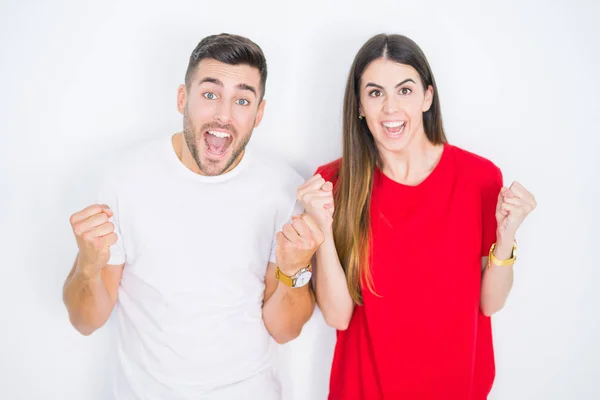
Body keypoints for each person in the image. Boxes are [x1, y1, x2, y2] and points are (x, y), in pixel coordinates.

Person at [62, 33, 319, 400]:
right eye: (210, 94)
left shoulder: (282, 190)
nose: (223, 115)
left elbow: (285, 331)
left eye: (242, 100)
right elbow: (85, 321)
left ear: (259, 113)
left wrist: (293, 271)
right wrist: (87, 266)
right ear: (183, 97)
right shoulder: (126, 180)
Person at [298, 34, 537, 399]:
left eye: (404, 91)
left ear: (427, 96)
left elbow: (491, 304)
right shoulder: (332, 184)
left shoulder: (479, 178)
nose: (391, 109)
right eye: (376, 93)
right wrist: (324, 230)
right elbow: (338, 317)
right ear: (360, 105)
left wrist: (506, 237)